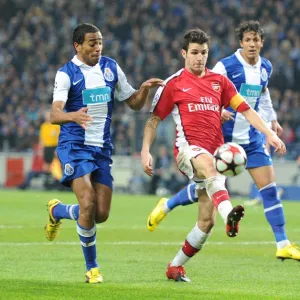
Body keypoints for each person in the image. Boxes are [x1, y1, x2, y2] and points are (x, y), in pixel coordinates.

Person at [147, 21, 300, 265]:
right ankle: (168, 205)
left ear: (262, 42)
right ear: (241, 42)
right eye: (247, 40)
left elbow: (263, 94)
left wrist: (272, 122)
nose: (252, 44)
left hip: (251, 138)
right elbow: (206, 92)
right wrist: (216, 112)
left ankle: (282, 244)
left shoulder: (266, 67)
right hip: (224, 140)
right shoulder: (224, 66)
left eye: (256, 40)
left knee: (269, 189)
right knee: (210, 188)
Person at [44, 23, 164, 284]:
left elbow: (132, 103)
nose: (97, 47)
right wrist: (71, 116)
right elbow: (54, 114)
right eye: (91, 43)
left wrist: (143, 89)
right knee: (87, 201)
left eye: (100, 42)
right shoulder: (66, 74)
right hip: (74, 146)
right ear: (78, 46)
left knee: (100, 214)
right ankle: (93, 268)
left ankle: (58, 211)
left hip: (101, 149)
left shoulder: (110, 67)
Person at [39, 110, 60, 188]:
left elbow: (59, 138)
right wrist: (41, 150)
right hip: (46, 147)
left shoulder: (56, 125)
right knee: (46, 165)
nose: (47, 117)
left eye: (49, 115)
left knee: (55, 165)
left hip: (54, 147)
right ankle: (46, 183)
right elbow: (41, 139)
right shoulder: (43, 126)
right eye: (46, 116)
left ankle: (56, 183)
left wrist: (57, 149)